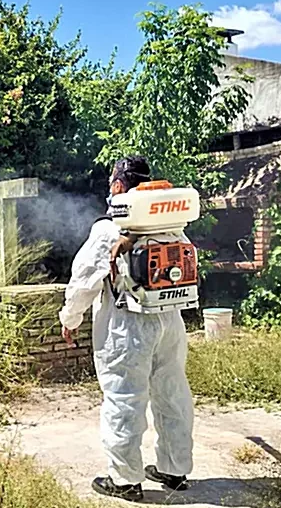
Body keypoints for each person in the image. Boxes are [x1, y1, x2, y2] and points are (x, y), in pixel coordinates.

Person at [58, 156, 194, 502]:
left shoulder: (108, 230)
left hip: (127, 326)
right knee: (172, 394)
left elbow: (84, 282)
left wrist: (69, 319)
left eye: (111, 183)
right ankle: (175, 470)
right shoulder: (172, 225)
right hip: (170, 322)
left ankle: (124, 480)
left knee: (124, 399)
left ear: (119, 185)